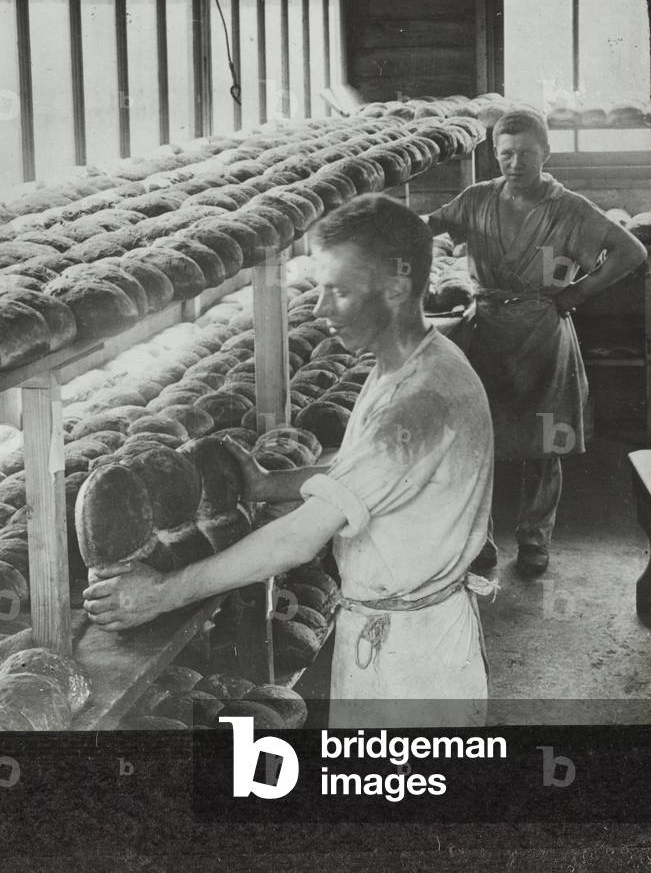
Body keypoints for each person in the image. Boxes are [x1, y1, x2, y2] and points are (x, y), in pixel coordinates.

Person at [84, 194, 496, 728]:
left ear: (395, 289)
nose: (321, 309)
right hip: (408, 632)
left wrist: (161, 593)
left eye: (340, 292)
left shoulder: (413, 409)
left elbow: (298, 539)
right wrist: (270, 485)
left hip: (412, 663)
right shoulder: (419, 362)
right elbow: (371, 479)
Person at [425, 109, 648, 578]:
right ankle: (477, 540)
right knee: (476, 438)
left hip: (543, 330)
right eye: (505, 153)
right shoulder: (477, 200)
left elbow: (632, 251)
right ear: (494, 154)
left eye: (526, 153)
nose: (515, 162)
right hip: (484, 329)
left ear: (546, 153)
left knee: (544, 442)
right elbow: (428, 226)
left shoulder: (569, 207)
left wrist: (577, 293)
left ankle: (534, 539)